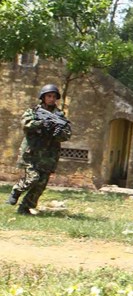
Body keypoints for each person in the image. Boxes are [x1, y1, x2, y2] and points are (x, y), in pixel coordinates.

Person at [8, 84, 72, 215]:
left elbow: (67, 135)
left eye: (54, 97)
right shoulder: (33, 112)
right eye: (49, 96)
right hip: (31, 153)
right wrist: (41, 124)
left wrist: (56, 132)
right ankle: (17, 190)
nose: (51, 99)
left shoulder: (60, 116)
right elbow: (25, 124)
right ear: (43, 97)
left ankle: (25, 207)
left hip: (48, 156)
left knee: (41, 184)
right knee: (33, 178)